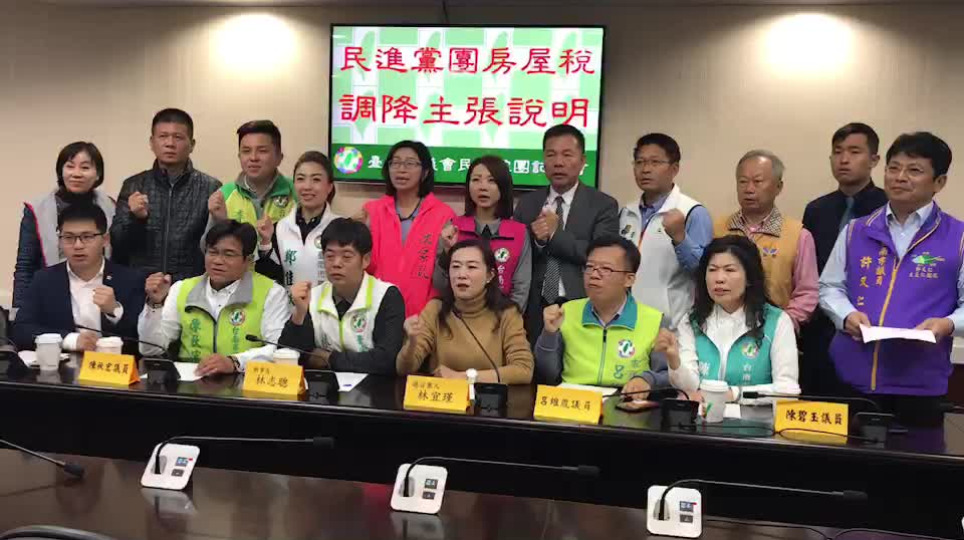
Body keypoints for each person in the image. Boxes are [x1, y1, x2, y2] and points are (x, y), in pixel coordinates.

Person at [819, 132, 964, 424]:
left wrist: (948, 324)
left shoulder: (958, 237)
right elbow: (829, 286)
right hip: (851, 380)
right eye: (893, 168)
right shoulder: (856, 230)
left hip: (919, 384)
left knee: (916, 453)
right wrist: (845, 315)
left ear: (939, 182)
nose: (899, 177)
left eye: (914, 170)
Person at [800, 123, 888, 394]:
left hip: (870, 328)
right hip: (819, 331)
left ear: (874, 160)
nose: (844, 159)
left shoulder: (888, 209)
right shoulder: (817, 209)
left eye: (854, 151)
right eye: (838, 152)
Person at [137, 220, 290, 375]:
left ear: (248, 260)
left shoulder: (271, 292)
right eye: (212, 252)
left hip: (245, 379)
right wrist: (154, 304)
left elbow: (278, 349)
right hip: (191, 380)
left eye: (228, 254)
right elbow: (151, 349)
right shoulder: (182, 289)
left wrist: (235, 361)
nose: (217, 261)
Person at [514, 125, 619, 342]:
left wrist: (555, 234)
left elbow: (599, 257)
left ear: (582, 161)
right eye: (551, 155)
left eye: (567, 155)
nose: (558, 162)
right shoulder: (527, 204)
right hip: (535, 308)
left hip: (583, 306)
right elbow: (517, 256)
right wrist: (539, 241)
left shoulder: (603, 205)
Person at [668, 236, 801, 404]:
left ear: (749, 278)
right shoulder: (692, 320)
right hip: (703, 418)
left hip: (757, 419)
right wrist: (674, 360)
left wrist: (734, 394)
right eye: (712, 270)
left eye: (729, 270)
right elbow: (691, 388)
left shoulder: (777, 321)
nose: (719, 278)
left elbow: (787, 390)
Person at [535, 236, 669, 394]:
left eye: (606, 269)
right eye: (589, 267)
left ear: (629, 279)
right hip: (574, 399)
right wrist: (549, 334)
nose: (594, 275)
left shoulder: (653, 320)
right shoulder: (565, 312)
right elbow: (547, 374)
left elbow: (667, 374)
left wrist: (646, 380)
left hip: (624, 400)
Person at [12, 204, 145, 355]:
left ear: (105, 239)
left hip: (112, 366)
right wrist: (71, 340)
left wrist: (114, 311)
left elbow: (141, 342)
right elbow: (21, 331)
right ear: (60, 240)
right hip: (63, 366)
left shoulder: (130, 279)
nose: (78, 245)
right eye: (69, 238)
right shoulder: (44, 280)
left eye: (87, 237)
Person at [396, 239, 533, 384]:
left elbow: (524, 369)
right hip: (445, 397)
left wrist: (465, 377)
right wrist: (412, 343)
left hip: (488, 397)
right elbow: (403, 369)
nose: (461, 274)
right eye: (455, 266)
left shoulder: (507, 313)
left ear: (490, 275)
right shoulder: (436, 309)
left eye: (471, 267)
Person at [279, 218, 405, 374]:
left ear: (365, 260)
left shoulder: (387, 296)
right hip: (322, 386)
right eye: (329, 256)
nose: (336, 263)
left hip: (373, 387)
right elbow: (289, 355)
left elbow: (386, 360)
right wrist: (299, 314)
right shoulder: (314, 296)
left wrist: (329, 358)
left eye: (346, 257)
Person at [110, 108, 222, 281]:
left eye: (178, 137)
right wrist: (136, 219)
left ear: (192, 144)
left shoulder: (211, 187)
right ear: (152, 142)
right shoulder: (134, 185)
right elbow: (117, 245)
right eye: (163, 136)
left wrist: (222, 219)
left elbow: (216, 246)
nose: (170, 143)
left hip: (189, 287)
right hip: (141, 285)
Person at [714, 150, 818, 331]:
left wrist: (781, 325)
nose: (749, 189)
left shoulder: (798, 235)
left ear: (778, 187)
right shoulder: (718, 229)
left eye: (758, 181)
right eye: (743, 181)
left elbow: (807, 292)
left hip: (774, 332)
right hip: (720, 330)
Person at [618, 133, 712, 330]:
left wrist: (680, 238)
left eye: (655, 162)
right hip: (626, 321)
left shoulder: (692, 211)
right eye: (640, 162)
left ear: (674, 168)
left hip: (672, 325)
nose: (645, 169)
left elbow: (704, 272)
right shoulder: (626, 212)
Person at [356, 141, 456, 317]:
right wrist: (355, 233)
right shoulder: (371, 211)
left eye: (410, 163)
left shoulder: (443, 214)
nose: (401, 169)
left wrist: (429, 314)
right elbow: (364, 267)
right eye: (395, 163)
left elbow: (443, 274)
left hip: (424, 316)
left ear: (425, 172)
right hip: (376, 313)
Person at [14, 142, 115, 310]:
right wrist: (19, 311)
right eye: (70, 166)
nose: (76, 174)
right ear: (61, 171)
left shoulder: (111, 207)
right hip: (51, 297)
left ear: (98, 174)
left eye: (85, 167)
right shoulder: (37, 209)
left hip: (98, 298)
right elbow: (25, 266)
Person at [434, 156, 531, 310]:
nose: (482, 187)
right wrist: (447, 252)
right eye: (476, 180)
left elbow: (521, 289)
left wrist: (507, 320)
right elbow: (440, 284)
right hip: (457, 316)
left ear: (503, 186)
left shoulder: (519, 232)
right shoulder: (453, 229)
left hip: (502, 318)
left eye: (491, 181)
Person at [256, 151, 342, 288]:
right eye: (301, 179)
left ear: (329, 187)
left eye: (316, 179)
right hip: (288, 302)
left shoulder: (341, 228)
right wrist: (265, 243)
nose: (307, 186)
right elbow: (269, 281)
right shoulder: (279, 228)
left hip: (327, 302)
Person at [208, 120, 297, 253]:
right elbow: (207, 248)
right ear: (239, 156)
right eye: (246, 151)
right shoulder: (224, 194)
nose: (253, 158)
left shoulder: (297, 192)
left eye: (262, 151)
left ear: (279, 157)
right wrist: (221, 222)